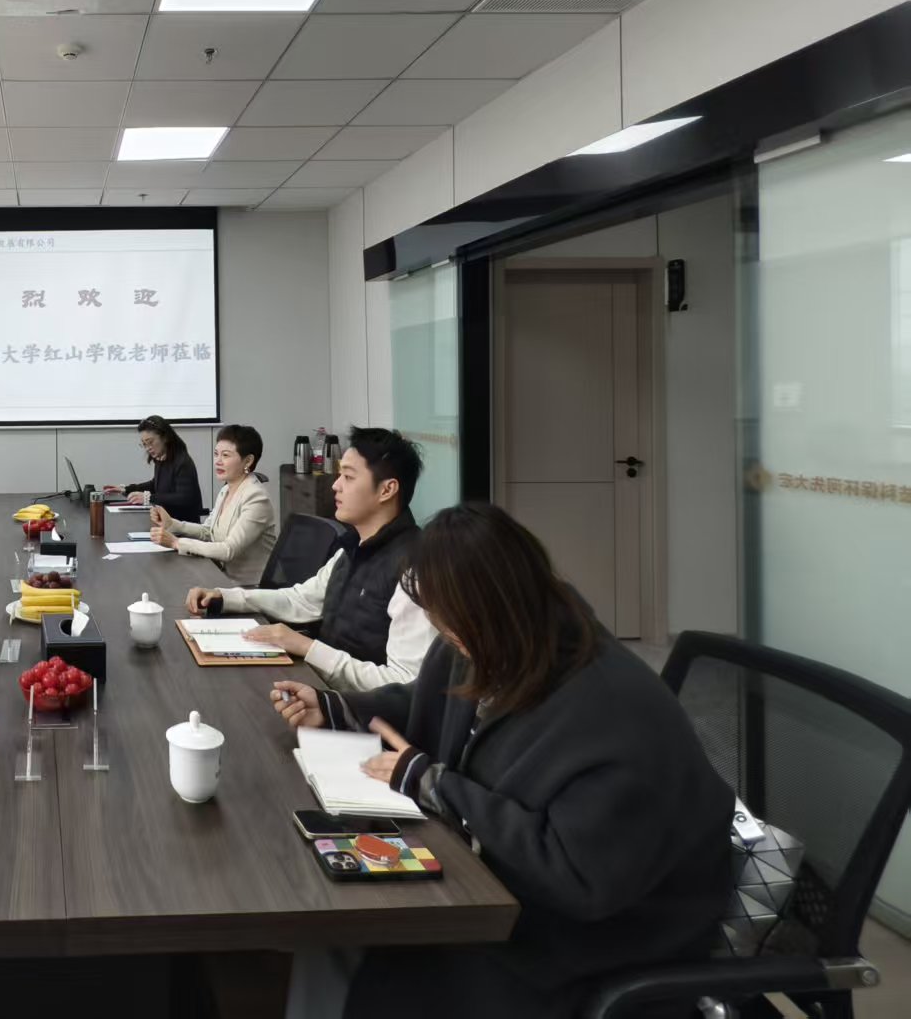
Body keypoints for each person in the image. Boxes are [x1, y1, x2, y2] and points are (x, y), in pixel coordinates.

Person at [269, 503, 734, 1019]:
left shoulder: (615, 710)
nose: (450, 642)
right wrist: (337, 707)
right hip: (499, 892)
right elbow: (430, 700)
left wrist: (435, 785)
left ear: (503, 607)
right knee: (333, 927)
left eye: (455, 629)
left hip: (588, 944)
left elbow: (573, 876)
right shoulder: (498, 644)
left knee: (361, 943)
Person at [185, 427, 434, 693]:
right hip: (324, 692)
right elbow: (301, 600)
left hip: (360, 711)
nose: (335, 485)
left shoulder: (414, 570)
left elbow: (405, 684)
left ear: (387, 490)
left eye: (348, 477)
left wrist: (307, 647)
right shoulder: (353, 546)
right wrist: (227, 598)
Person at [147, 424, 277, 586]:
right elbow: (208, 532)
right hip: (220, 576)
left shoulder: (256, 497)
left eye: (226, 455)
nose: (218, 461)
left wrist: (176, 542)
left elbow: (228, 550)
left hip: (248, 587)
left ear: (248, 460)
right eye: (216, 454)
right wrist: (172, 524)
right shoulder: (226, 490)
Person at [106, 415, 203, 523]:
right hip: (167, 523)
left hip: (184, 526)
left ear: (165, 437)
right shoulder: (161, 459)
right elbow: (155, 484)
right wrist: (126, 489)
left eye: (150, 442)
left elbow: (184, 498)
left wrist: (148, 498)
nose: (148, 448)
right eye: (144, 444)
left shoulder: (182, 462)